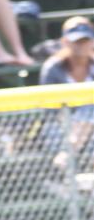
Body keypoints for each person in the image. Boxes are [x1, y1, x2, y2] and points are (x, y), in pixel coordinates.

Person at [39, 17, 94, 173]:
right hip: (60, 127)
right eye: (76, 41)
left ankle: (70, 153)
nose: (80, 46)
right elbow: (50, 110)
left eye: (85, 40)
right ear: (65, 42)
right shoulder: (52, 67)